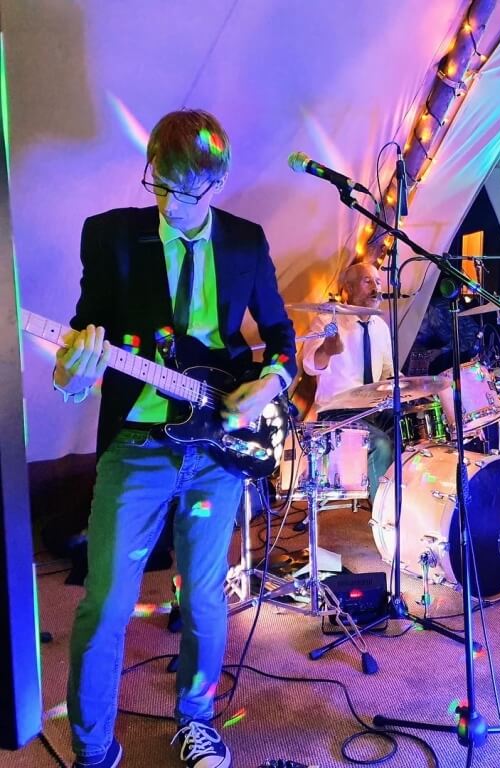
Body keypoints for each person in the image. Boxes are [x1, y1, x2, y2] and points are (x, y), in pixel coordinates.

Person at [55, 109, 296, 768]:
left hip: (216, 449)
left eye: (186, 192)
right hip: (138, 445)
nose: (170, 203)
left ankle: (196, 719)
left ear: (216, 182)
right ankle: (94, 750)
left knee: (206, 594)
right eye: (159, 186)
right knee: (105, 601)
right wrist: (73, 375)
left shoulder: (246, 242)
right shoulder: (110, 237)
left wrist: (270, 383)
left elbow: (280, 338)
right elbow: (86, 333)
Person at [300, 261, 394, 500]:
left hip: (372, 408)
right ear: (348, 289)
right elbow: (310, 366)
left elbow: (387, 373)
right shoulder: (327, 321)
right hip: (336, 412)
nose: (376, 287)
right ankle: (385, 515)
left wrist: (413, 386)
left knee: (410, 431)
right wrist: (328, 350)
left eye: (378, 282)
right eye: (367, 281)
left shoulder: (381, 327)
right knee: (380, 444)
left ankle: (403, 500)